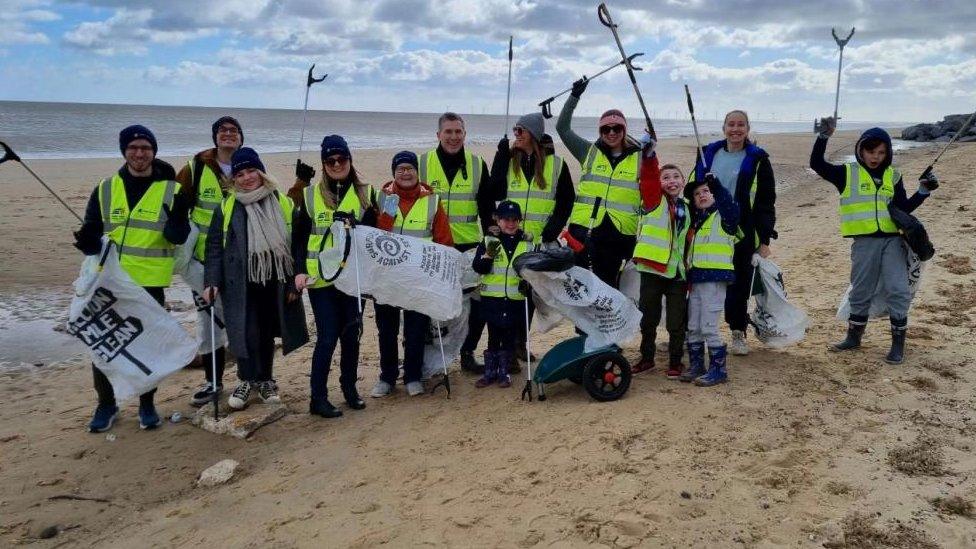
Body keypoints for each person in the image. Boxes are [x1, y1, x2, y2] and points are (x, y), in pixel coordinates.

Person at [72, 125, 191, 432]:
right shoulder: (106, 187)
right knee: (104, 345)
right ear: (124, 151)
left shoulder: (173, 190)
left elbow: (179, 237)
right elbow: (93, 231)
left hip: (149, 283)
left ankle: (147, 405)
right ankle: (106, 405)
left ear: (154, 152)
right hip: (108, 282)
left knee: (146, 346)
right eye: (134, 147)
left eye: (146, 148)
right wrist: (87, 240)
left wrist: (178, 226)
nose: (140, 153)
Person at [811, 118, 935, 364]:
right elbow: (816, 164)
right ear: (860, 150)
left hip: (893, 241)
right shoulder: (846, 174)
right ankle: (854, 337)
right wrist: (823, 137)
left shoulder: (893, 175)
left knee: (898, 289)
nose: (875, 157)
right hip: (864, 243)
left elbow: (903, 209)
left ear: (888, 153)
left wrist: (922, 192)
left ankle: (898, 344)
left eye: (881, 152)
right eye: (870, 151)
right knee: (861, 289)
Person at [203, 147, 309, 410]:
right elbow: (214, 246)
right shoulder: (227, 206)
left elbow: (296, 244)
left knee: (266, 333)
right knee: (243, 332)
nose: (247, 177)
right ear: (233, 179)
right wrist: (211, 281)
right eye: (240, 173)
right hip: (239, 282)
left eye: (252, 170)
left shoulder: (282, 202)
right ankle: (245, 379)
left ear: (261, 172)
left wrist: (296, 278)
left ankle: (264, 380)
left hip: (274, 280)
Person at [292, 135, 378, 418]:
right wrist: (299, 271)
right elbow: (300, 237)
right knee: (327, 337)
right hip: (322, 281)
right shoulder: (309, 196)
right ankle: (318, 398)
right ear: (324, 164)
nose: (337, 164)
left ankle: (350, 389)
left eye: (342, 159)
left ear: (350, 161)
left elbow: (376, 234)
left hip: (353, 279)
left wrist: (360, 224)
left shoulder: (367, 193)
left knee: (352, 336)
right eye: (331, 160)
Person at [689, 110, 777, 356]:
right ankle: (693, 332)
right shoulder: (708, 154)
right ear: (723, 127)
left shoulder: (758, 160)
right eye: (731, 124)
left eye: (741, 125)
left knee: (737, 283)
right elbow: (693, 189)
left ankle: (738, 331)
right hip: (706, 227)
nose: (735, 129)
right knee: (698, 281)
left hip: (740, 229)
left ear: (748, 128)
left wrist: (764, 239)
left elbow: (766, 201)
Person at [370, 151, 454, 398]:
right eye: (400, 169)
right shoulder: (381, 197)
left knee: (415, 330)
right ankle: (387, 377)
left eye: (410, 168)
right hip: (386, 278)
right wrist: (387, 214)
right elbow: (373, 236)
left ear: (417, 172)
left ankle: (413, 375)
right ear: (393, 172)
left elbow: (443, 239)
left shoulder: (432, 201)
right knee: (387, 329)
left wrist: (443, 272)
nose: (405, 173)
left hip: (418, 278)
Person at [418, 112, 493, 374]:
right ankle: (432, 357)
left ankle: (467, 352)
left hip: (470, 246)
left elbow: (487, 210)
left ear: (465, 134)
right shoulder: (422, 164)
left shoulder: (477, 164)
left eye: (458, 132)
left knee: (478, 304)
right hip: (433, 248)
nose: (453, 137)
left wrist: (491, 246)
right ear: (438, 135)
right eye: (448, 132)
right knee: (434, 305)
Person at [175, 116, 242, 406]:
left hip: (239, 260)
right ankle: (212, 382)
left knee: (242, 319)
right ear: (215, 137)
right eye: (222, 131)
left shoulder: (247, 166)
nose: (228, 134)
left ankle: (249, 380)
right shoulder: (196, 168)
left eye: (233, 131)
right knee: (209, 322)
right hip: (203, 263)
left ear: (241, 137)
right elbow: (174, 204)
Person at [557, 79, 647, 288]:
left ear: (624, 130)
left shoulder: (641, 157)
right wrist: (574, 96)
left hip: (619, 236)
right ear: (600, 132)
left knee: (608, 291)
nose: (611, 133)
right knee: (581, 291)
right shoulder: (587, 152)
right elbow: (562, 128)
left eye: (617, 128)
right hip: (583, 232)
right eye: (606, 129)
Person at [681, 174, 740, 387]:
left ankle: (718, 369)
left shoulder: (725, 218)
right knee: (693, 325)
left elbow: (729, 206)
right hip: (696, 280)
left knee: (708, 325)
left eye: (706, 191)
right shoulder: (696, 223)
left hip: (715, 279)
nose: (701, 195)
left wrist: (716, 184)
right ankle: (697, 365)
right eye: (697, 194)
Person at [632, 163, 689, 377]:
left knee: (676, 321)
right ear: (659, 183)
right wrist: (648, 155)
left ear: (683, 182)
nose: (672, 181)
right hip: (652, 269)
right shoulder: (654, 200)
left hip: (677, 272)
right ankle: (647, 358)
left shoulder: (688, 206)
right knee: (648, 319)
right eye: (666, 177)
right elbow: (648, 178)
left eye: (676, 176)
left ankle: (675, 362)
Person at [470, 201, 532, 388]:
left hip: (515, 299)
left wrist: (528, 282)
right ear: (498, 220)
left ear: (519, 221)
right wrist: (487, 256)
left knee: (510, 335)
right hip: (493, 299)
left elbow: (533, 271)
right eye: (506, 220)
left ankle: (504, 372)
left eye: (514, 220)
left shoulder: (527, 244)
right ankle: (490, 372)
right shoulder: (490, 240)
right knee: (493, 335)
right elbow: (478, 267)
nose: (510, 224)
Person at [491, 112, 575, 246]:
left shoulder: (557, 164)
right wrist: (500, 158)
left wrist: (552, 230)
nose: (516, 134)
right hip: (510, 239)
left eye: (520, 130)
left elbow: (566, 201)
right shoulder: (508, 161)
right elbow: (495, 192)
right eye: (514, 130)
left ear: (533, 133)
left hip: (540, 241)